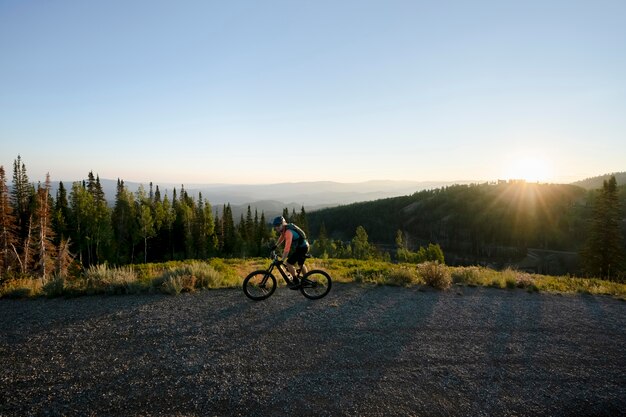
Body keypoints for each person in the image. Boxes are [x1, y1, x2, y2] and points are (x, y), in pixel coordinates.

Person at [272, 216, 309, 289]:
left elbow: (287, 248)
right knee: (300, 264)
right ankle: (305, 280)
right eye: (275, 226)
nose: (277, 227)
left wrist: (282, 260)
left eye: (278, 225)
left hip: (303, 248)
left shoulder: (288, 232)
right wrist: (276, 245)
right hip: (303, 246)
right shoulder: (284, 230)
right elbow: (282, 237)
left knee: (288, 263)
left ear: (283, 223)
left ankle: (296, 281)